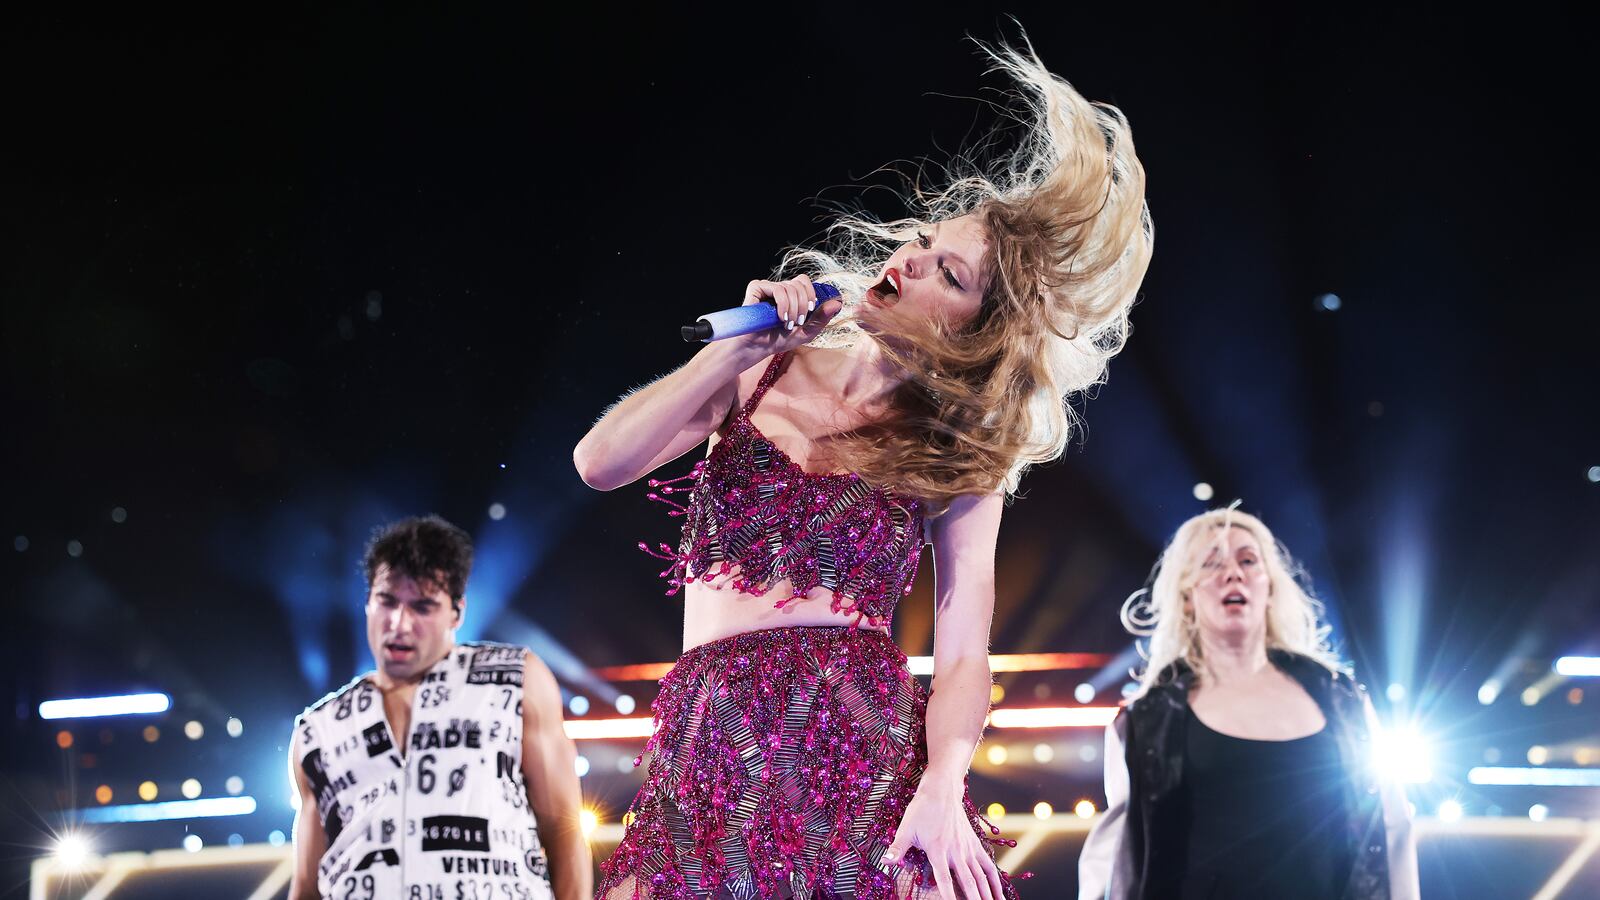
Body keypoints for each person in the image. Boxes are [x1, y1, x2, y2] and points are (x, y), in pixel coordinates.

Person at [575, 34, 1153, 900]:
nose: (910, 257)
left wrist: (941, 784)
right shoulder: (761, 370)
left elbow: (963, 656)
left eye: (946, 272)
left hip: (855, 758)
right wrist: (732, 353)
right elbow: (599, 463)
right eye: (923, 239)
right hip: (708, 749)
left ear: (974, 330)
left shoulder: (959, 456)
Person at [1078, 507, 1420, 899]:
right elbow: (1112, 859)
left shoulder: (1341, 700)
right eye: (1211, 563)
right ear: (1187, 596)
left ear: (1270, 588)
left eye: (1247, 560)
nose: (1233, 573)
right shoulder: (1148, 719)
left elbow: (1393, 827)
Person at [288, 515, 592, 900]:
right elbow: (306, 885)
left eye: (422, 606)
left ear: (457, 613)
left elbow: (565, 835)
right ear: (367, 602)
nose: (399, 623)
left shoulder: (515, 680)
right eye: (387, 601)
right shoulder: (319, 727)